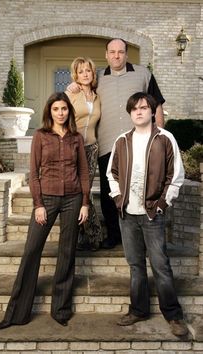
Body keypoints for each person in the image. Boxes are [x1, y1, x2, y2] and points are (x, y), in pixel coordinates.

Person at [0, 92, 90, 329]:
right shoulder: (40, 136)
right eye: (56, 109)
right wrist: (38, 204)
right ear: (50, 112)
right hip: (46, 198)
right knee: (31, 250)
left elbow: (84, 172)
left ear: (69, 111)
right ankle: (16, 313)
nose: (60, 113)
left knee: (67, 252)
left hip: (73, 199)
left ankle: (61, 310)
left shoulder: (76, 138)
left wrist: (85, 202)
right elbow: (34, 173)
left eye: (64, 109)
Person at [67, 38, 165, 249]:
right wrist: (72, 84)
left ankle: (141, 237)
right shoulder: (98, 76)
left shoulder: (143, 74)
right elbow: (83, 86)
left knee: (139, 188)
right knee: (108, 191)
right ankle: (113, 234)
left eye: (120, 52)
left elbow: (156, 105)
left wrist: (160, 136)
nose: (116, 56)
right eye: (112, 52)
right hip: (107, 144)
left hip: (138, 144)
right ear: (106, 54)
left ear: (126, 54)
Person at [106, 92, 188, 337]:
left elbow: (176, 176)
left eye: (143, 107)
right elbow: (112, 173)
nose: (139, 112)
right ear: (130, 113)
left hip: (153, 214)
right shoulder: (122, 140)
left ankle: (173, 316)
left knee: (160, 266)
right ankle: (138, 309)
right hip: (127, 215)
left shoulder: (165, 138)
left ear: (152, 111)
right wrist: (119, 199)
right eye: (134, 109)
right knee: (135, 266)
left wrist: (162, 204)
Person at [66, 57, 102, 251]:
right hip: (74, 147)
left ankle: (86, 236)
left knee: (85, 190)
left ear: (92, 73)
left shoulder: (97, 95)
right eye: (81, 71)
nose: (85, 74)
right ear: (76, 75)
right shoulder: (71, 93)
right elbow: (59, 115)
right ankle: (92, 235)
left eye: (88, 70)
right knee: (79, 190)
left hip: (92, 147)